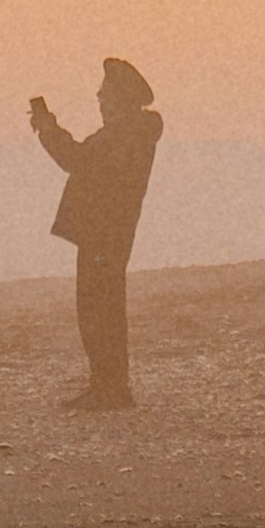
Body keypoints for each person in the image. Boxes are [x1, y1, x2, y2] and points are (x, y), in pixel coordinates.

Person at [26, 58, 160, 409]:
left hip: (105, 233)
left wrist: (47, 126)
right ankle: (107, 386)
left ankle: (110, 388)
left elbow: (76, 160)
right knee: (101, 309)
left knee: (99, 310)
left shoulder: (125, 135)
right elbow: (83, 160)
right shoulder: (128, 133)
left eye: (104, 94)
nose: (99, 100)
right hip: (106, 232)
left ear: (119, 97)